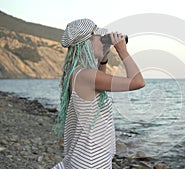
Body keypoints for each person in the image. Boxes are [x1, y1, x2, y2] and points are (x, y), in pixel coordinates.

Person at [52, 18, 145, 169]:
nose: (103, 41)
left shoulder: (77, 73)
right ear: (87, 42)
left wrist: (104, 58)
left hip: (82, 158)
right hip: (91, 162)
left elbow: (98, 90)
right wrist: (122, 50)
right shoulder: (86, 75)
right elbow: (138, 82)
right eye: (100, 38)